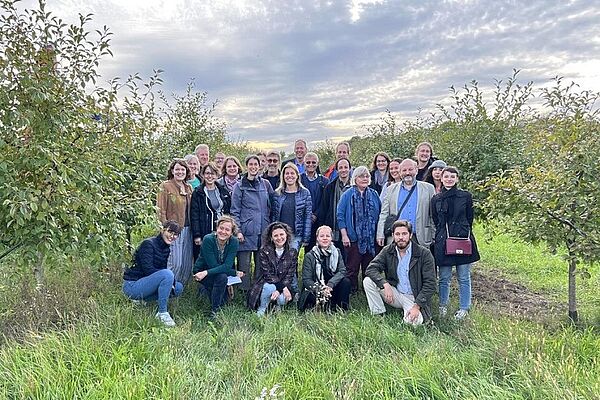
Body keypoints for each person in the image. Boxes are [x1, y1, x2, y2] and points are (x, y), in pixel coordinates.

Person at [363, 220, 436, 325]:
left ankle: (409, 317)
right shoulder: (388, 250)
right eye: (397, 234)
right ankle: (378, 315)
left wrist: (417, 306)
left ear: (410, 235)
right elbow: (371, 269)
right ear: (393, 235)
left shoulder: (423, 254)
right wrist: (385, 284)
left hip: (414, 297)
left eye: (404, 234)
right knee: (368, 281)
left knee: (415, 323)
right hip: (395, 293)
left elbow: (431, 284)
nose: (401, 237)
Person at [431, 166, 480, 320]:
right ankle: (443, 306)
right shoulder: (436, 199)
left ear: (457, 179)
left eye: (453, 176)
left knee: (464, 277)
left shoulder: (465, 196)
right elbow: (436, 219)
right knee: (444, 277)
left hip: (462, 240)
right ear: (441, 178)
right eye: (447, 176)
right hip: (444, 241)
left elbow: (469, 217)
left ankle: (464, 308)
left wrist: (461, 230)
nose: (449, 179)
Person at [123, 220, 184, 327]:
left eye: (176, 235)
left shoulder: (166, 248)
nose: (172, 236)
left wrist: (171, 281)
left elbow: (161, 271)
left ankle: (141, 301)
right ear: (162, 230)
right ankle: (162, 313)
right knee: (168, 275)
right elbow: (148, 270)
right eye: (170, 232)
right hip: (132, 285)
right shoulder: (148, 244)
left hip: (146, 284)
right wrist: (170, 278)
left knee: (178, 288)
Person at [231, 155, 274, 291]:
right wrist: (238, 231)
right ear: (246, 166)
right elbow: (235, 210)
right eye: (251, 164)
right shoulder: (239, 186)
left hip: (263, 230)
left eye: (256, 164)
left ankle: (257, 291)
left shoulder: (265, 184)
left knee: (261, 263)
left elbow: (272, 206)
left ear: (259, 166)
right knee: (244, 265)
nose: (253, 167)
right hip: (246, 230)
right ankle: (243, 293)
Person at [336, 166, 381, 293]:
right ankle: (352, 291)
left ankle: (368, 291)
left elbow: (380, 213)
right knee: (352, 267)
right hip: (353, 237)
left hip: (371, 239)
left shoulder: (374, 194)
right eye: (361, 176)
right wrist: (344, 235)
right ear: (355, 179)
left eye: (367, 176)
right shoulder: (347, 194)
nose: (365, 178)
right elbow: (340, 215)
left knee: (369, 267)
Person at [376, 158, 435, 247]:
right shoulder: (390, 190)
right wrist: (380, 233)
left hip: (420, 236)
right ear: (400, 172)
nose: (407, 173)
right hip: (398, 238)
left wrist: (434, 235)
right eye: (404, 170)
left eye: (410, 169)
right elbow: (384, 213)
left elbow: (432, 215)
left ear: (416, 170)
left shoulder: (428, 188)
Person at [192, 216, 243, 316]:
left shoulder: (234, 242)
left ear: (231, 233)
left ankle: (209, 294)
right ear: (217, 228)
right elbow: (213, 265)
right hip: (201, 272)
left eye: (227, 230)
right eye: (221, 228)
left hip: (217, 273)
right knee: (222, 278)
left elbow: (227, 266)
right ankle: (215, 311)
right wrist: (234, 273)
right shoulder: (208, 239)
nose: (223, 232)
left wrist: (229, 270)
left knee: (224, 296)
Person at [247, 222, 297, 316]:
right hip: (266, 282)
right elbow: (268, 274)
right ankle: (262, 307)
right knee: (270, 287)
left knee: (282, 299)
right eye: (276, 235)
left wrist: (280, 289)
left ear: (286, 235)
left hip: (284, 283)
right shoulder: (264, 250)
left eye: (281, 234)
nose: (279, 238)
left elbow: (289, 275)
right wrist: (282, 288)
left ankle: (277, 307)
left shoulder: (292, 251)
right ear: (271, 238)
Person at [157, 158, 194, 284]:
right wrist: (166, 229)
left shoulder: (188, 187)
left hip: (188, 229)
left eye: (182, 169)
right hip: (173, 230)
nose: (180, 172)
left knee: (186, 263)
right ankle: (166, 286)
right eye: (177, 169)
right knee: (175, 262)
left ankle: (179, 290)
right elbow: (160, 209)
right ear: (172, 171)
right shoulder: (165, 186)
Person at [300, 225, 351, 312]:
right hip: (316, 288)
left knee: (346, 282)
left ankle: (342, 309)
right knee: (312, 296)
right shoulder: (310, 255)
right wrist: (321, 289)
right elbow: (306, 279)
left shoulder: (337, 252)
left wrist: (330, 285)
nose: (325, 238)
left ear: (331, 238)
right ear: (317, 238)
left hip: (332, 287)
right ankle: (322, 306)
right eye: (322, 236)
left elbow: (342, 271)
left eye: (327, 236)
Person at [190, 162, 232, 260]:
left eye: (213, 173)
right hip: (205, 229)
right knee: (205, 258)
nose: (210, 176)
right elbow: (194, 215)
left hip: (222, 230)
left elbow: (228, 212)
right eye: (207, 173)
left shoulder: (223, 191)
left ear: (217, 175)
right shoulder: (198, 192)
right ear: (203, 175)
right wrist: (197, 235)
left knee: (221, 257)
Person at [272, 163, 312, 250]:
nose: (289, 176)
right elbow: (274, 216)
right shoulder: (277, 194)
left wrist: (306, 237)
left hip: (296, 235)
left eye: (292, 173)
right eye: (287, 173)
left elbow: (308, 217)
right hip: (280, 235)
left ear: (297, 175)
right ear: (283, 176)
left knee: (292, 260)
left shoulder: (305, 193)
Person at [318, 158, 352, 255]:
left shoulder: (355, 186)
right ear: (336, 170)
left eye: (346, 167)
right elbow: (324, 209)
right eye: (340, 167)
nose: (343, 170)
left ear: (350, 169)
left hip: (352, 230)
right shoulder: (330, 187)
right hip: (334, 228)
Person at [300, 152, 329, 249]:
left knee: (320, 248)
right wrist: (307, 215)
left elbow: (324, 201)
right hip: (302, 219)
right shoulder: (299, 179)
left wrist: (315, 215)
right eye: (308, 162)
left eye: (313, 162)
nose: (310, 165)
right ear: (304, 163)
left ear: (317, 163)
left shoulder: (324, 181)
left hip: (319, 220)